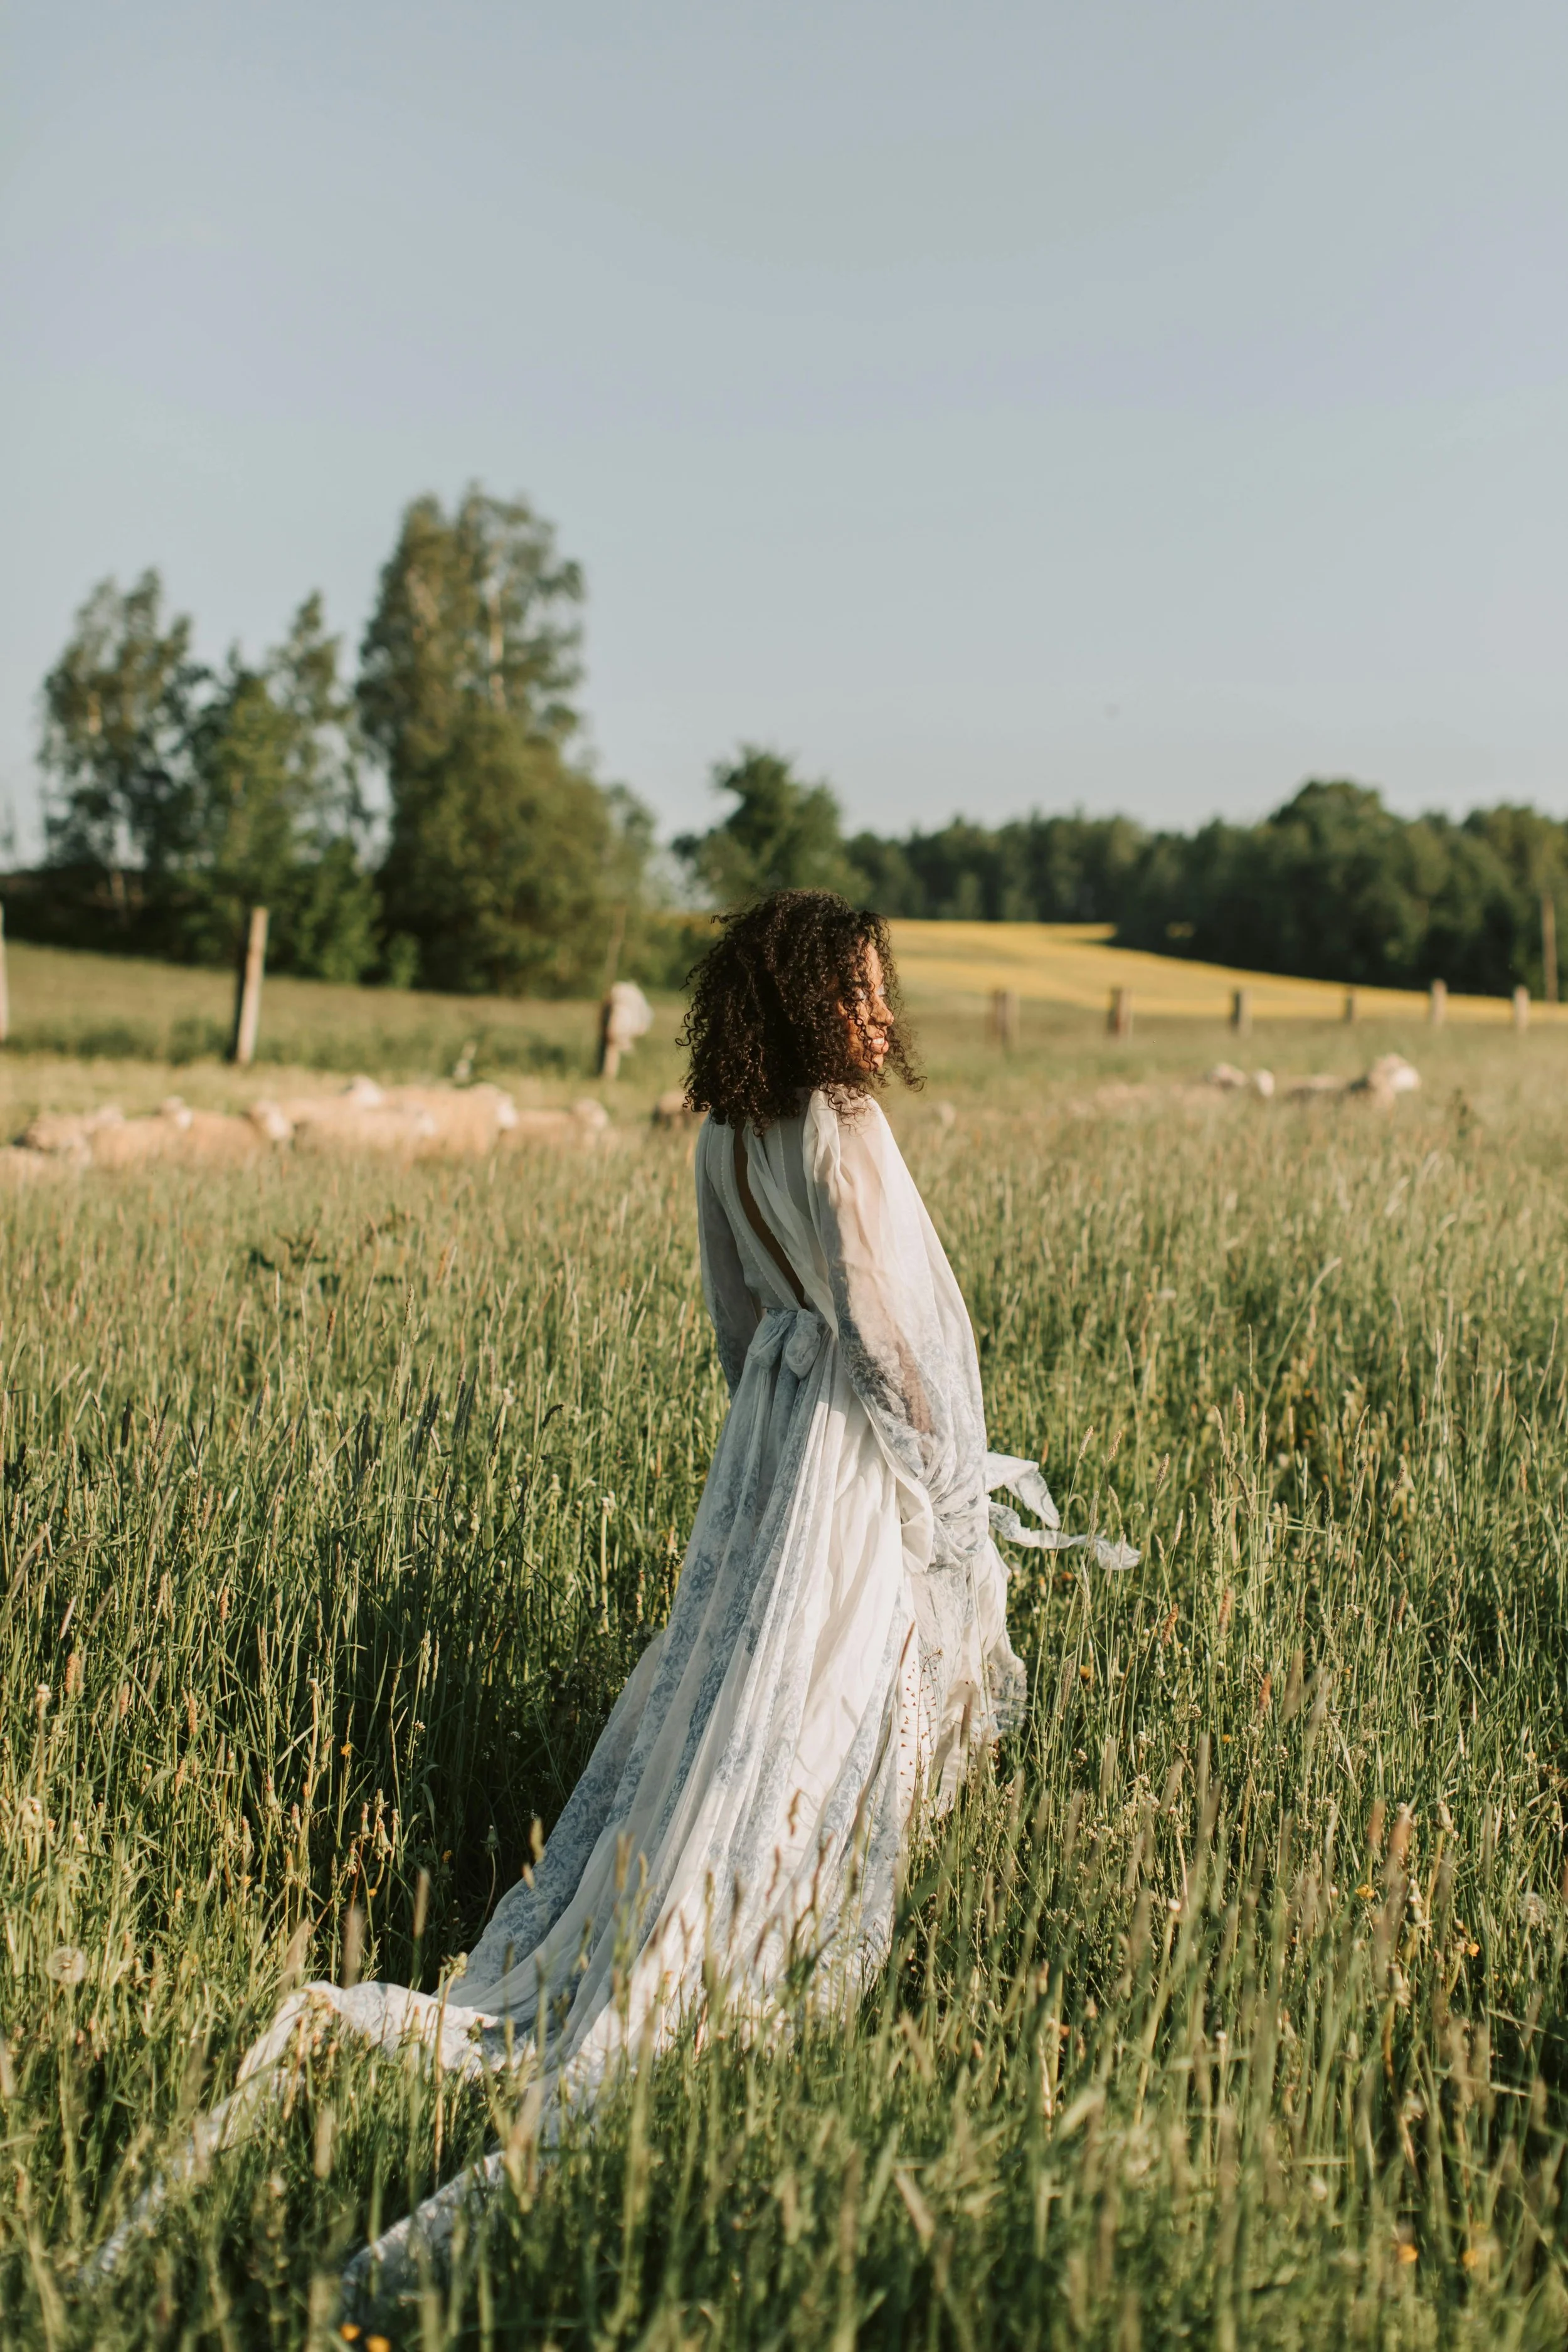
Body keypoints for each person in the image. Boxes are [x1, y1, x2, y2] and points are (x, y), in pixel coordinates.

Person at [92, 889, 1131, 2305]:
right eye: (865, 991)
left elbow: (735, 1320)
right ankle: (754, 1920)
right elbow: (895, 1331)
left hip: (770, 1437)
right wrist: (945, 1494)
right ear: (814, 1000)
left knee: (739, 1681)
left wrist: (767, 1458)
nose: (886, 1016)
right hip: (852, 1442)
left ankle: (686, 1900)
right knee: (830, 1693)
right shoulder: (845, 1127)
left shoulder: (721, 1136)